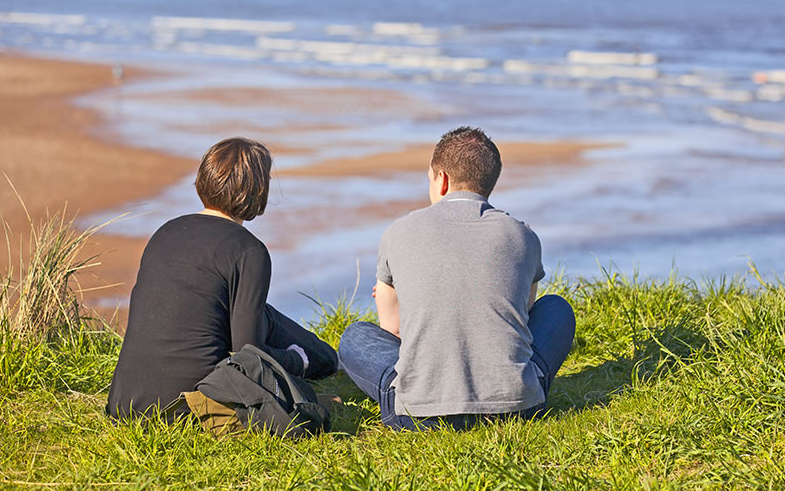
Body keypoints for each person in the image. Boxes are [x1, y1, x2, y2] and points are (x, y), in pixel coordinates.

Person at [338, 126, 575, 430]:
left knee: (356, 336)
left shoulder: (399, 232)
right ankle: (518, 388)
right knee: (556, 308)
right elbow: (524, 318)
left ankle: (422, 394)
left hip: (417, 415)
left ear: (442, 180)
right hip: (516, 409)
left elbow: (392, 329)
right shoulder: (523, 235)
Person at [107, 137, 338, 422]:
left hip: (125, 403)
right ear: (259, 190)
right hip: (189, 405)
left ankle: (327, 359)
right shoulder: (249, 250)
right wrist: (293, 360)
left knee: (261, 314)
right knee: (272, 330)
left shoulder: (165, 232)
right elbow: (248, 353)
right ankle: (323, 360)